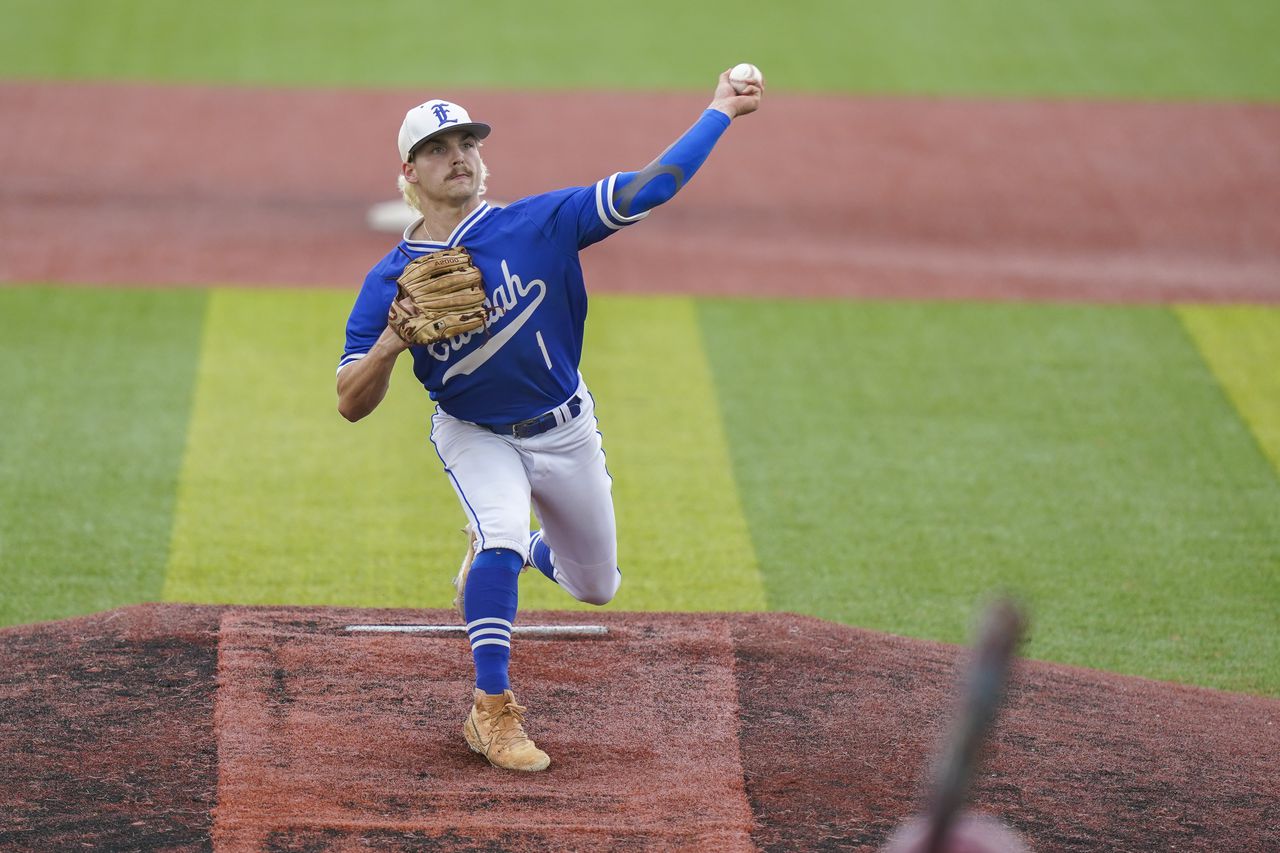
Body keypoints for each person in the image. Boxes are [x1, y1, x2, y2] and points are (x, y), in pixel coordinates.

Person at [335, 69, 763, 771]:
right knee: (499, 535)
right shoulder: (389, 280)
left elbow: (650, 186)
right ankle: (492, 711)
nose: (459, 156)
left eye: (466, 141)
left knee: (597, 586)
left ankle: (518, 550)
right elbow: (351, 402)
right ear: (409, 171)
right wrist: (391, 340)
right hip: (474, 432)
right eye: (439, 148)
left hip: (566, 427)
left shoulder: (540, 223)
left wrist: (719, 110)